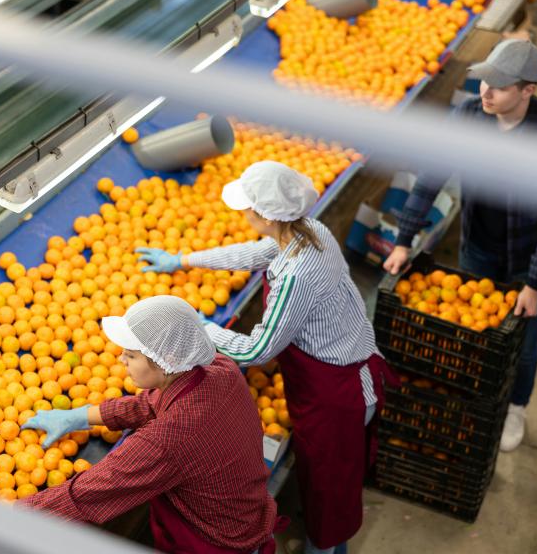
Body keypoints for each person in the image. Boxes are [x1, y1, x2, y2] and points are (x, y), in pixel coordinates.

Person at [136, 161, 397, 554]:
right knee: (326, 481)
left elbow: (259, 348)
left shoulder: (296, 275)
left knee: (330, 494)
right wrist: (183, 260)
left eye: (247, 208)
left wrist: (205, 331)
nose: (242, 214)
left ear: (263, 214)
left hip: (338, 393)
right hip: (336, 375)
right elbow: (256, 254)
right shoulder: (310, 231)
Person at [0, 295, 279, 554]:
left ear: (167, 359)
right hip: (246, 510)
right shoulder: (219, 369)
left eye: (132, 354)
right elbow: (152, 404)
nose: (120, 359)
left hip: (215, 541)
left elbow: (88, 493)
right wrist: (81, 416)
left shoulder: (168, 441)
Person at [382, 39, 537, 452]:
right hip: (480, 246)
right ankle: (477, 402)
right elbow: (430, 178)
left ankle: (516, 407)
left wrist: (536, 282)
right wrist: (404, 240)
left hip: (530, 256)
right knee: (475, 330)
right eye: (485, 81)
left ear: (529, 90)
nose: (486, 92)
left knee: (523, 342)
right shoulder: (468, 117)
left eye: (500, 87)